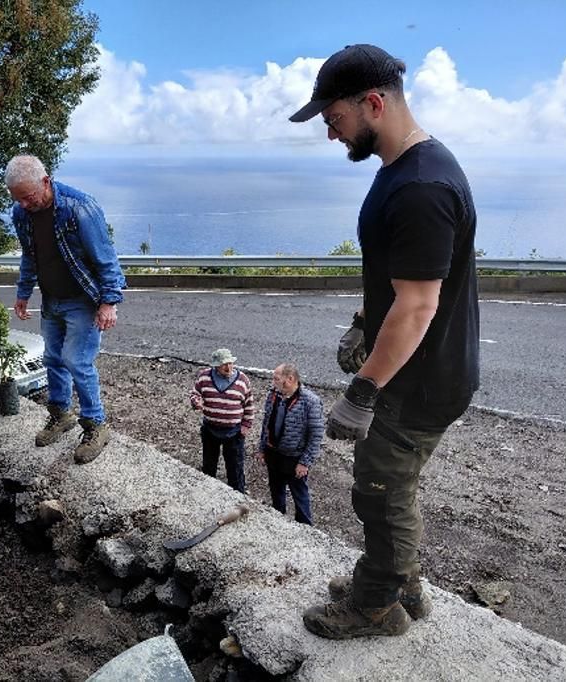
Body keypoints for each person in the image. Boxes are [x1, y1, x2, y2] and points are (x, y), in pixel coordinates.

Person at [289, 44, 480, 639]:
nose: (330, 133)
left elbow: (420, 305)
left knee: (380, 489)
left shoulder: (422, 187)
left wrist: (363, 389)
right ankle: (399, 578)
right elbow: (405, 279)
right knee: (393, 484)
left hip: (419, 379)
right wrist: (363, 317)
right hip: (416, 366)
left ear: (373, 103)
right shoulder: (405, 169)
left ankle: (377, 606)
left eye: (334, 119)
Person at [4, 154, 126, 464]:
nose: (25, 205)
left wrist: (109, 302)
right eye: (18, 199)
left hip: (83, 301)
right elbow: (29, 257)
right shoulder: (22, 212)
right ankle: (60, 415)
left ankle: (95, 424)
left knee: (77, 361)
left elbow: (106, 258)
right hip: (51, 300)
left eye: (28, 197)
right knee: (52, 358)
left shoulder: (79, 208)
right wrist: (23, 292)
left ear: (46, 182)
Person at [258, 363, 324, 525]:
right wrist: (262, 448)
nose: (273, 382)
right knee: (276, 490)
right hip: (273, 453)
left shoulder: (311, 402)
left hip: (294, 459)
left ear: (290, 379)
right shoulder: (273, 394)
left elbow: (316, 435)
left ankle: (305, 528)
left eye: (276, 379)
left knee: (300, 495)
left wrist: (304, 462)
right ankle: (278, 521)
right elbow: (266, 422)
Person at [189, 348, 254, 492]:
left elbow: (249, 404)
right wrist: (196, 402)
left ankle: (238, 496)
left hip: (234, 432)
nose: (228, 367)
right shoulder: (204, 377)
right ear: (216, 366)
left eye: (230, 363)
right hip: (210, 429)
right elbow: (195, 393)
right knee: (209, 464)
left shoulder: (243, 380)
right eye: (224, 364)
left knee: (235, 468)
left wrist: (246, 425)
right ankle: (208, 492)